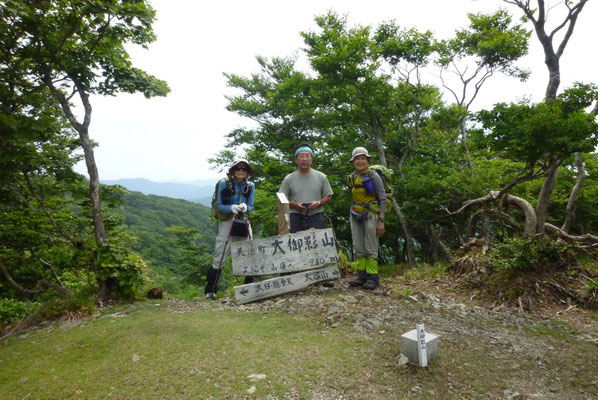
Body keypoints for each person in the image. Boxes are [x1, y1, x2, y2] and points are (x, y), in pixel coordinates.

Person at [204, 159, 256, 299]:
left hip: (243, 219)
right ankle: (211, 290)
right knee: (221, 253)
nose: (241, 171)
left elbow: (251, 205)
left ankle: (249, 287)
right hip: (227, 221)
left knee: (248, 250)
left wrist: (246, 208)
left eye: (244, 169)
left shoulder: (250, 186)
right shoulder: (224, 183)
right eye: (238, 168)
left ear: (247, 172)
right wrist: (231, 208)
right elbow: (220, 205)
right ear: (233, 170)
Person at [347, 147, 387, 290]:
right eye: (357, 159)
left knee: (371, 248)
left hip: (371, 215)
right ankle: (361, 277)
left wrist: (381, 220)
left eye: (363, 158)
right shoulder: (352, 176)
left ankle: (372, 278)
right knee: (359, 247)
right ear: (353, 162)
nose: (360, 161)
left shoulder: (373, 176)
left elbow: (383, 199)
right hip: (355, 214)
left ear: (368, 160)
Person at [279, 143, 333, 233]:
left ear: (311, 159)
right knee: (295, 244)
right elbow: (281, 198)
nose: (304, 159)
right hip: (295, 216)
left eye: (307, 156)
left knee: (318, 244)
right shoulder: (289, 178)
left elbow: (328, 196)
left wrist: (319, 202)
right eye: (301, 156)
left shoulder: (321, 177)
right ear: (296, 160)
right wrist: (295, 205)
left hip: (315, 215)